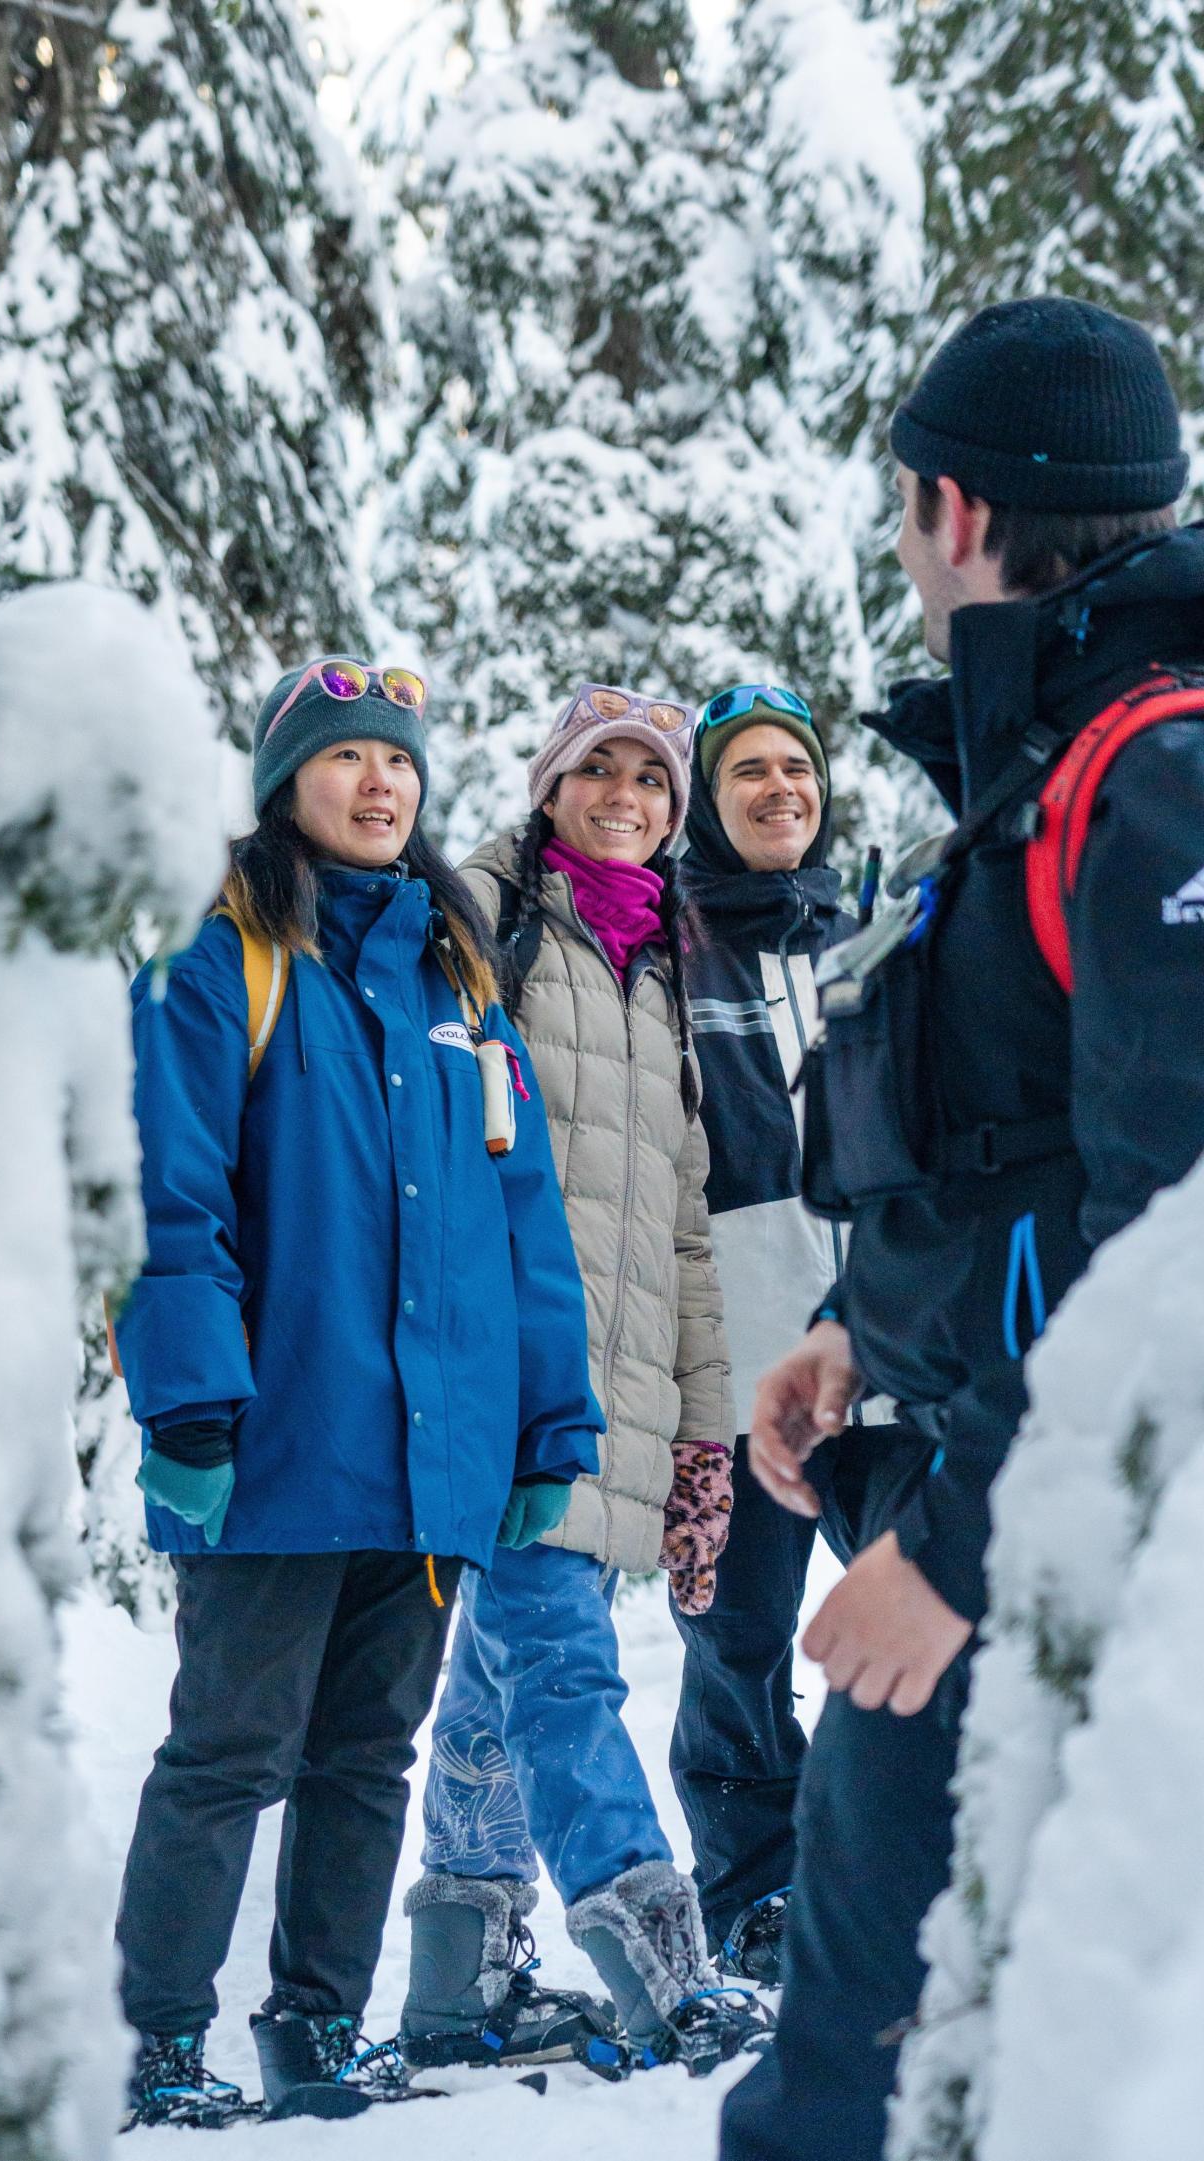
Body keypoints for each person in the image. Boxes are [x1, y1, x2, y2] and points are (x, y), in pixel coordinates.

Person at [720, 297, 1204, 2161]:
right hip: (977, 1506)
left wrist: (957, 1543)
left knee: (862, 2076)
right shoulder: (1042, 770)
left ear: (952, 506)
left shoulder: (1152, 776)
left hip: (1059, 1561)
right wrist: (861, 1328)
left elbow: (1178, 1233)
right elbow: (1022, 1154)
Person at [110, 657, 603, 2129]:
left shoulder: (460, 983)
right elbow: (168, 1191)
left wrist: (548, 1421)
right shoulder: (224, 960)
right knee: (228, 1751)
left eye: (399, 761)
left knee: (364, 1754)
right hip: (280, 1442)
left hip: (434, 1458)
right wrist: (191, 1403)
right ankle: (159, 2036)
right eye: (347, 759)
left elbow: (530, 1229)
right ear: (284, 787)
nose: (381, 783)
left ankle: (318, 2022)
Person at [396, 684, 754, 2080]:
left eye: (654, 780)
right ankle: (669, 1967)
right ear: (549, 785)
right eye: (599, 769)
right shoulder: (482, 918)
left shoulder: (664, 963)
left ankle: (458, 1980)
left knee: (501, 1679)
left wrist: (704, 1433)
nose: (629, 796)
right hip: (499, 1376)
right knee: (560, 1661)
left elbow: (680, 1221)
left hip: (623, 1397)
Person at [669, 683, 892, 1983]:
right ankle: (757, 1890)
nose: (777, 792)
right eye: (747, 771)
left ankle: (906, 1855)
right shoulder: (662, 944)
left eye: (794, 771)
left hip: (874, 1349)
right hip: (732, 1352)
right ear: (709, 795)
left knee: (922, 1601)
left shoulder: (864, 934)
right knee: (739, 1643)